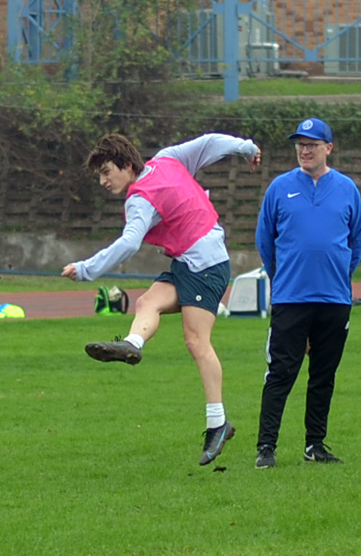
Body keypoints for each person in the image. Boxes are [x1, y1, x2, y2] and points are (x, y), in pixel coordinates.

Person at [62, 132, 262, 466]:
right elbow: (211, 142)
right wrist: (247, 148)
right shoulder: (168, 158)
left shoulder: (139, 199)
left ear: (127, 165)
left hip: (206, 266)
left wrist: (86, 269)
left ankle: (218, 422)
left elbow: (129, 244)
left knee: (197, 341)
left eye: (107, 172)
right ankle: (132, 345)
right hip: (188, 263)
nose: (102, 181)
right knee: (146, 303)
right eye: (99, 175)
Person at [254, 117, 361, 469]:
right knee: (281, 372)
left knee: (323, 374)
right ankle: (266, 447)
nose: (304, 150)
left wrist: (337, 275)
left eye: (312, 144)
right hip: (291, 297)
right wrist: (285, 276)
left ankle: (314, 444)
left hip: (334, 299)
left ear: (328, 148)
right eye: (300, 144)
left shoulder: (347, 189)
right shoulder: (280, 187)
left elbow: (356, 242)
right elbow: (265, 240)